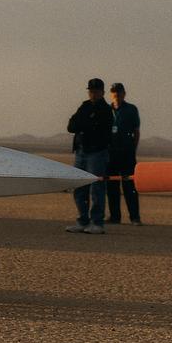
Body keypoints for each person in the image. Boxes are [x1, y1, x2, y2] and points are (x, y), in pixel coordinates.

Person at [65, 77, 113, 234]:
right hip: (81, 152)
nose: (93, 94)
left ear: (102, 92)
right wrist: (86, 124)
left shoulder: (105, 110)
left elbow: (97, 129)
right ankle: (82, 220)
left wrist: (85, 124)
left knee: (96, 188)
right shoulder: (84, 106)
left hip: (96, 153)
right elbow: (71, 126)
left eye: (96, 91)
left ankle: (97, 223)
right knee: (80, 187)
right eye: (91, 91)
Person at [106, 82, 142, 225]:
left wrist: (133, 149)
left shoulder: (131, 110)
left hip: (127, 153)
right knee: (112, 186)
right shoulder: (107, 110)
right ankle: (115, 217)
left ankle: (135, 217)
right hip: (110, 154)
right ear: (111, 94)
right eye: (114, 92)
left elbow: (136, 131)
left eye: (119, 92)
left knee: (130, 186)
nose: (116, 94)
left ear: (124, 93)